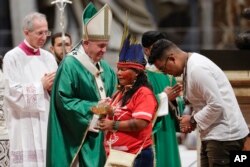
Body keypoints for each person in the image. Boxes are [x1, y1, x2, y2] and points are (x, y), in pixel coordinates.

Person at [148, 39, 249, 167]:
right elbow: (203, 101)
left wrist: (192, 120)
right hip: (214, 135)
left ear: (172, 58)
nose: (166, 73)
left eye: (164, 68)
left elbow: (216, 105)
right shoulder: (190, 65)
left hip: (224, 138)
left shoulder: (197, 68)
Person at [46, 2, 117, 167]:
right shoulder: (70, 65)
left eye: (106, 45)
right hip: (81, 138)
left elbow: (115, 93)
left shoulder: (105, 67)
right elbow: (63, 101)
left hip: (105, 136)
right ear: (86, 43)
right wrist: (96, 108)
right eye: (100, 45)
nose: (104, 50)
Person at [3, 12, 58, 167]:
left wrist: (52, 89)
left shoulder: (49, 57)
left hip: (45, 119)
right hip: (23, 124)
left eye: (46, 32)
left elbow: (56, 91)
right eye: (39, 33)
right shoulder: (12, 57)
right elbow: (12, 94)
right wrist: (40, 86)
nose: (44, 37)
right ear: (26, 32)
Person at [98, 34, 158, 167]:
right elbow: (115, 116)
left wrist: (111, 124)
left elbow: (140, 123)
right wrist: (105, 110)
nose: (118, 73)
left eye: (124, 69)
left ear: (136, 72)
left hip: (137, 155)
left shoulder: (143, 93)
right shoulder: (120, 93)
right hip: (117, 156)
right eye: (118, 69)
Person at [141, 31, 184, 167]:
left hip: (168, 128)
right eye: (156, 46)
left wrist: (176, 100)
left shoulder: (169, 74)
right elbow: (139, 104)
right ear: (146, 50)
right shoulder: (141, 74)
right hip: (153, 131)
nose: (162, 50)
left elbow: (179, 103)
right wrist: (164, 97)